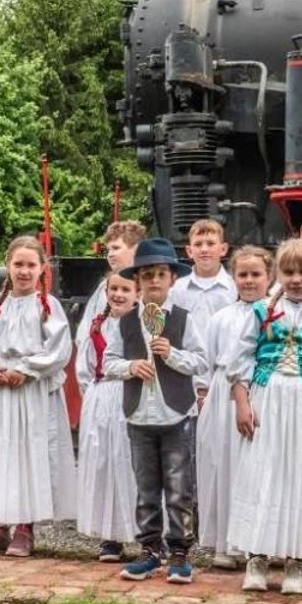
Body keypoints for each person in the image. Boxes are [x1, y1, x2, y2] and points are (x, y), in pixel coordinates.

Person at [227, 239, 302, 596]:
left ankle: (296, 560)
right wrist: (241, 401)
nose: (296, 280)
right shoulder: (261, 310)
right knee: (263, 472)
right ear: (278, 274)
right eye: (289, 272)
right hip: (267, 398)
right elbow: (241, 359)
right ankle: (258, 556)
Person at [102, 237, 208, 583]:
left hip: (176, 414)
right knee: (146, 487)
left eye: (160, 274)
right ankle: (150, 550)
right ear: (139, 281)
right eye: (147, 275)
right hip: (139, 415)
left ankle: (180, 552)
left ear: (171, 279)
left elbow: (201, 361)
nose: (154, 281)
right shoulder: (126, 322)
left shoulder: (184, 319)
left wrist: (171, 355)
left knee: (179, 488)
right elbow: (108, 362)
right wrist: (131, 367)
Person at [0, 236, 76, 557]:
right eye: (18, 264)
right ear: (8, 267)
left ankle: (25, 526)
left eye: (31, 265)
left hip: (31, 392)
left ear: (42, 269)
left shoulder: (47, 307)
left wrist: (27, 369)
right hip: (0, 393)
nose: (24, 271)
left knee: (29, 454)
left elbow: (58, 349)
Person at [196, 245, 272, 570]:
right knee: (223, 463)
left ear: (269, 277)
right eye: (243, 274)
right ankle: (225, 541)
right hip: (224, 393)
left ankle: (258, 540)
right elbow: (211, 360)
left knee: (257, 467)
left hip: (263, 393)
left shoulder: (274, 315)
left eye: (256, 274)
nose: (249, 281)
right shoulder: (221, 318)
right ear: (234, 278)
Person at [76, 270, 140, 562]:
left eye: (125, 289)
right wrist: (93, 396)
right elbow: (85, 368)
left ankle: (145, 535)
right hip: (103, 397)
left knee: (132, 464)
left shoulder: (143, 325)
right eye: (113, 289)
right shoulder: (97, 326)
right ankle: (110, 536)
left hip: (133, 395)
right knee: (104, 464)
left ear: (137, 293)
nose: (118, 294)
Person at [76, 221, 146, 355]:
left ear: (136, 249)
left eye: (116, 248)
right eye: (108, 250)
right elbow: (84, 331)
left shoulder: (149, 288)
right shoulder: (103, 287)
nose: (110, 255)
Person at [170, 218, 236, 328]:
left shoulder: (234, 287)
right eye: (198, 244)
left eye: (210, 243)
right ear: (189, 251)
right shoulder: (177, 289)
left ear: (223, 249)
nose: (204, 249)